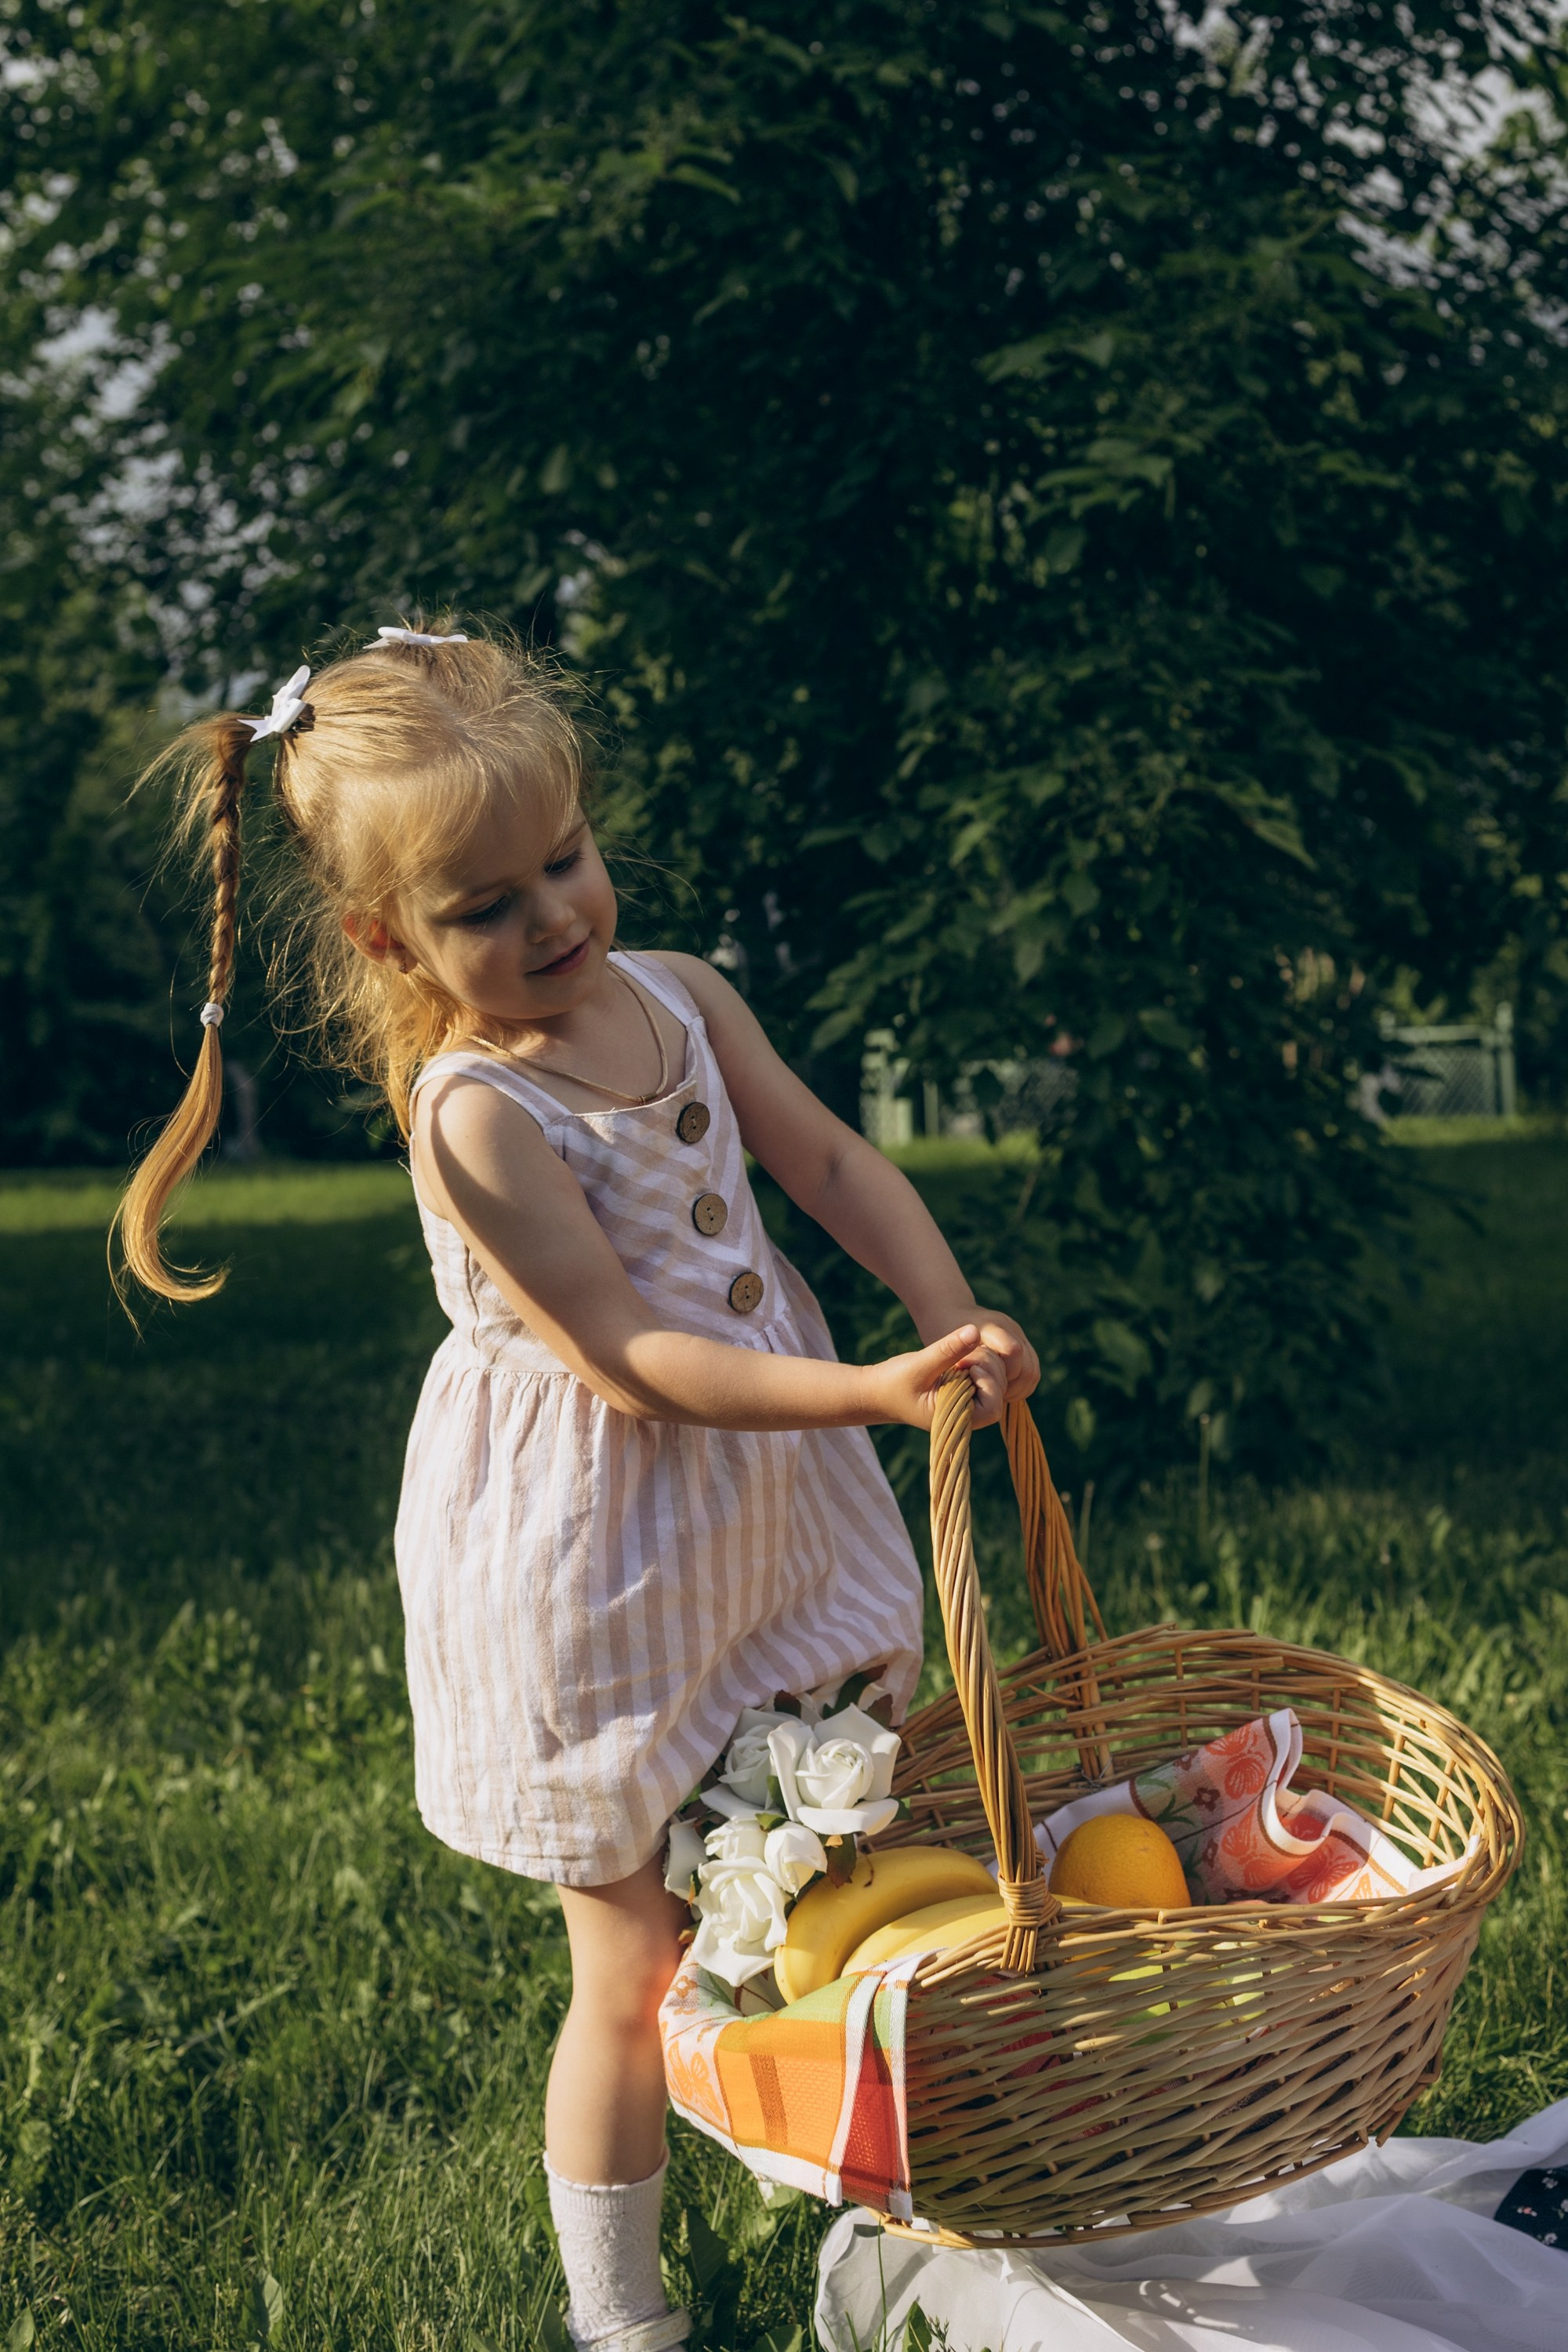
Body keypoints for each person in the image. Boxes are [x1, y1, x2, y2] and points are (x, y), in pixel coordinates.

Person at [114, 626, 1040, 2352]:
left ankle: (902, 2194)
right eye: (485, 905)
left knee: (845, 1862)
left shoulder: (680, 994)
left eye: (564, 857)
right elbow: (628, 1354)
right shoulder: (477, 1114)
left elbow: (828, 1157)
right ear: (387, 937)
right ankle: (620, 2317)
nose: (551, 916)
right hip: (599, 1565)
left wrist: (943, 1313)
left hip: (769, 1517)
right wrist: (868, 1393)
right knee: (631, 1959)